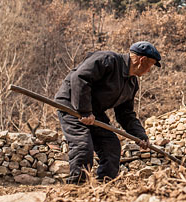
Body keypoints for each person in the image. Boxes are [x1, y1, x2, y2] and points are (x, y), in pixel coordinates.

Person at [54, 41, 161, 184]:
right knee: (83, 147)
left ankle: (104, 185)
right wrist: (84, 111)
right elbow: (79, 78)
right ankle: (76, 188)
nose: (149, 71)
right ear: (142, 61)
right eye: (150, 66)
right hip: (71, 104)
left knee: (111, 146)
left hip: (93, 112)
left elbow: (125, 114)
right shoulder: (108, 60)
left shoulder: (131, 84)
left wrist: (140, 135)